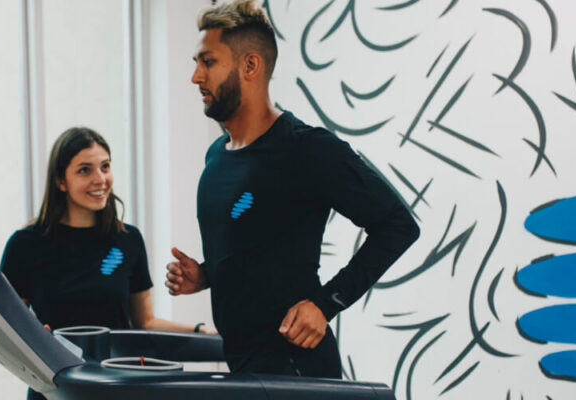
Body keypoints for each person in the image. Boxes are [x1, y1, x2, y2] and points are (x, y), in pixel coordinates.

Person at [165, 0, 420, 379]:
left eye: (208, 62)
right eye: (196, 63)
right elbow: (261, 251)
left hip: (297, 370)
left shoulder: (307, 148)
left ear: (250, 66)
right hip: (244, 368)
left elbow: (398, 225)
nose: (196, 77)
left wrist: (326, 304)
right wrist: (205, 275)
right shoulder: (217, 155)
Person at [0, 127, 215, 400]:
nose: (100, 179)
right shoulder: (25, 245)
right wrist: (35, 340)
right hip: (55, 390)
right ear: (60, 181)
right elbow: (8, 328)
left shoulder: (128, 240)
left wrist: (200, 330)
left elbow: (145, 321)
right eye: (85, 170)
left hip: (118, 386)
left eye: (105, 167)